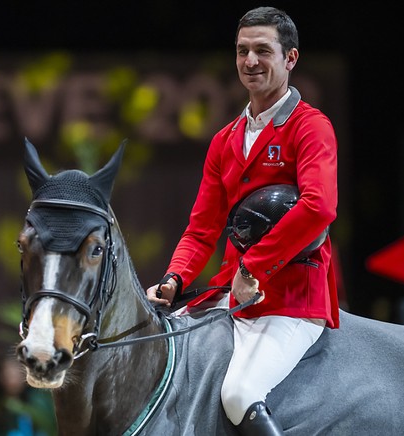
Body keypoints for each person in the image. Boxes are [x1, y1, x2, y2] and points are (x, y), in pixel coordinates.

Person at [146, 6, 339, 435]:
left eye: (262, 51)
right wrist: (174, 278)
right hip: (231, 293)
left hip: (292, 299)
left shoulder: (310, 127)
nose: (250, 61)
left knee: (239, 392)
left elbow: (319, 207)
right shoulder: (224, 140)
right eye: (242, 51)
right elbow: (202, 230)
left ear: (290, 58)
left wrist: (253, 267)